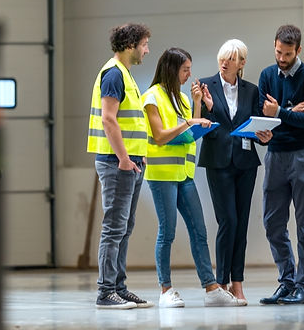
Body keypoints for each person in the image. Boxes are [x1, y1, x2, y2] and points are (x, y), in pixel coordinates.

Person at [141, 47, 241, 308]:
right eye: (185, 70)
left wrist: (197, 106)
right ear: (172, 69)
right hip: (162, 176)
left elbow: (189, 129)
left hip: (184, 174)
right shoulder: (151, 97)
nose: (189, 75)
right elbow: (161, 136)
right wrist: (190, 124)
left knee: (199, 230)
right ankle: (166, 289)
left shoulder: (182, 99)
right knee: (168, 232)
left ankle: (211, 288)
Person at [195, 39, 272, 305]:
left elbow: (256, 126)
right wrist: (209, 106)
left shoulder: (252, 90)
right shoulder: (205, 85)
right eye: (222, 58)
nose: (225, 62)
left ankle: (238, 283)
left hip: (245, 161)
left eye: (231, 58)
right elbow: (201, 122)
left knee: (241, 224)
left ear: (242, 63)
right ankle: (222, 282)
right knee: (227, 220)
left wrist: (266, 135)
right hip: (218, 161)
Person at [86, 23, 153, 310]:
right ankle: (105, 292)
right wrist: (125, 158)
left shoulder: (125, 75)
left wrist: (137, 156)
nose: (147, 50)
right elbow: (108, 119)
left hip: (130, 163)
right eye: (145, 44)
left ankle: (119, 288)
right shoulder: (114, 74)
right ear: (131, 45)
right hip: (117, 163)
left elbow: (131, 122)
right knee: (114, 227)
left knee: (124, 227)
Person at [256, 25, 304, 305]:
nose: (281, 58)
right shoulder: (267, 76)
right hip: (275, 155)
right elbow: (263, 114)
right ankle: (287, 281)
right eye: (278, 52)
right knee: (272, 223)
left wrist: (280, 112)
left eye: (287, 54)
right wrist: (267, 129)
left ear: (298, 50)